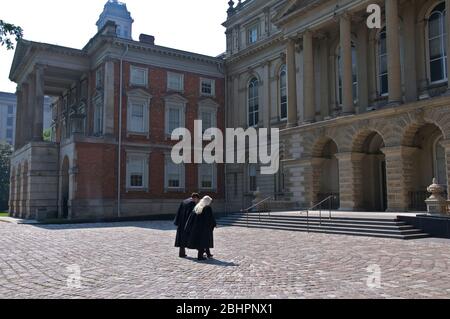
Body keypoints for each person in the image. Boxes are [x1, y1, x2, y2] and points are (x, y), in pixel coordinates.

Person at [185, 196, 217, 261]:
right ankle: (200, 256)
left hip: (196, 228)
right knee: (203, 242)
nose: (210, 203)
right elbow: (210, 218)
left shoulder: (198, 207)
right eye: (210, 201)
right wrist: (214, 224)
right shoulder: (207, 208)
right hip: (204, 228)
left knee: (200, 241)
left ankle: (206, 254)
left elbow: (191, 217)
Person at [174, 193, 200, 258]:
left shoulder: (184, 201)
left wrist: (177, 222)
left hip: (181, 223)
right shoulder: (192, 203)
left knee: (182, 239)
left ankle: (181, 253)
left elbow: (179, 212)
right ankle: (201, 251)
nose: (197, 201)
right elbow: (192, 215)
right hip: (187, 223)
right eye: (197, 199)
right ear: (196, 198)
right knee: (193, 237)